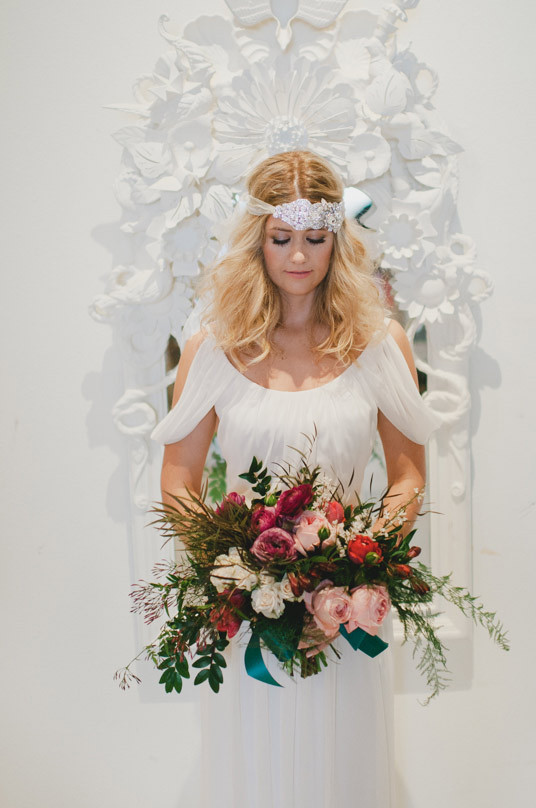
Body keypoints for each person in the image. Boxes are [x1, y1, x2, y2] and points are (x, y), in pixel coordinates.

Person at [151, 150, 442, 808]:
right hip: (251, 619)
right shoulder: (213, 347)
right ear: (257, 239)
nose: (300, 256)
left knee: (341, 770)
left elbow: (407, 476)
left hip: (345, 619)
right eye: (282, 239)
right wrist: (236, 575)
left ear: (340, 239)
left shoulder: (379, 344)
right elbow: (178, 479)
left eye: (316, 238)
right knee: (258, 770)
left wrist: (357, 566)